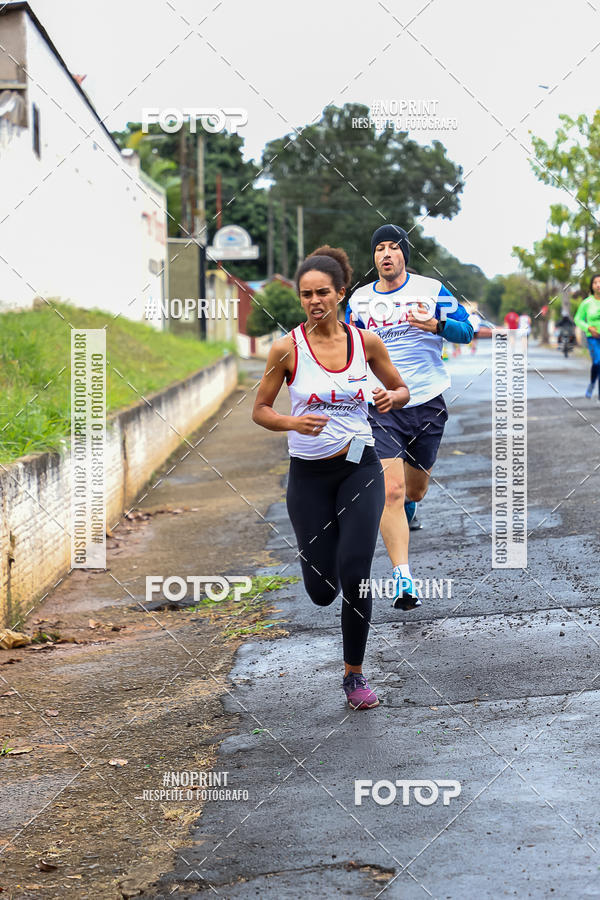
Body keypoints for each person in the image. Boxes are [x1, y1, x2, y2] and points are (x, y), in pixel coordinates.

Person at [252, 246, 410, 710]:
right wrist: (291, 422)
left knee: (357, 571)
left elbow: (401, 388)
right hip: (309, 477)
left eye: (323, 292)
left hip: (361, 466)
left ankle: (354, 676)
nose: (315, 301)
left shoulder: (366, 343)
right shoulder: (287, 348)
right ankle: (324, 569)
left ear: (341, 293)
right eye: (306, 294)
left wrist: (391, 399)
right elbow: (259, 410)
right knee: (323, 591)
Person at [346, 225, 473, 611]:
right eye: (379, 248)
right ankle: (404, 578)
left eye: (393, 247)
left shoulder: (431, 291)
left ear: (404, 255)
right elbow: (349, 350)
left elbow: (468, 331)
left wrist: (434, 324)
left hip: (427, 405)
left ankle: (411, 509)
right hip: (382, 407)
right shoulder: (360, 300)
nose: (386, 254)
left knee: (414, 491)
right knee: (391, 492)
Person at [574, 274, 600, 400]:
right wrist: (588, 328)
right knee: (598, 361)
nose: (598, 285)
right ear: (592, 286)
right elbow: (578, 319)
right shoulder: (587, 303)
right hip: (593, 338)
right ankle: (592, 383)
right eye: (596, 282)